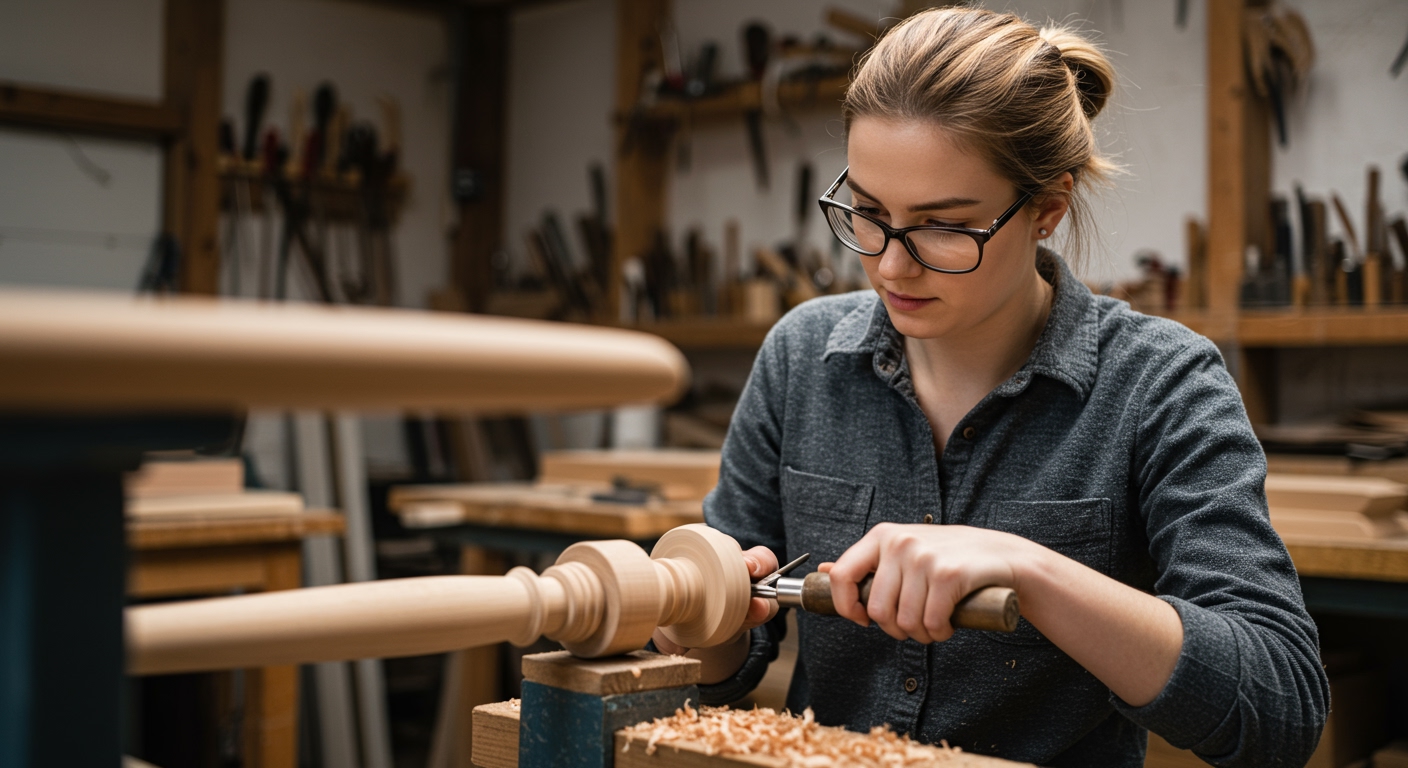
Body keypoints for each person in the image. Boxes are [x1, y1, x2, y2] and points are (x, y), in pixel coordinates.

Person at [649, 7, 1328, 767]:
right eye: (868, 214)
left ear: (1046, 209)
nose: (890, 267)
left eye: (944, 226)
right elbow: (719, 670)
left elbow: (1280, 709)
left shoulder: (1163, 382)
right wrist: (693, 628)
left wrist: (1030, 571)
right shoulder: (800, 357)